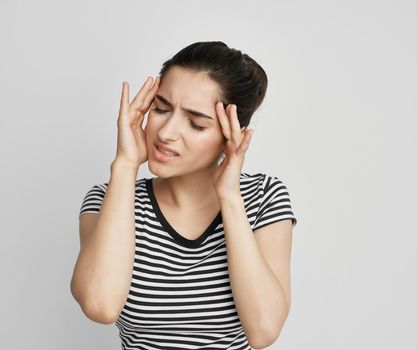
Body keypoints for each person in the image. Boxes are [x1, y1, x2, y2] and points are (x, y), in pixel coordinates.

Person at [70, 41, 298, 350]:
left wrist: (230, 197)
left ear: (231, 135)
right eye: (161, 109)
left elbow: (264, 330)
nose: (165, 133)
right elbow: (100, 305)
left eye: (195, 123)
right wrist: (125, 165)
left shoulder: (264, 198)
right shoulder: (108, 198)